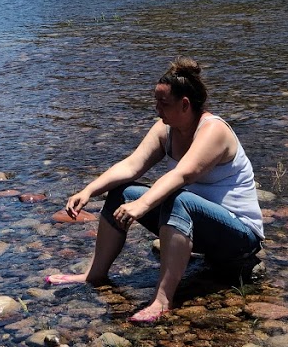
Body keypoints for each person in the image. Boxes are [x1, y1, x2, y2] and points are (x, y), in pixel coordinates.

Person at [47, 57, 264, 323]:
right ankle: (95, 273)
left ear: (185, 104)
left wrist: (144, 204)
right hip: (201, 229)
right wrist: (89, 190)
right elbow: (131, 165)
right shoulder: (166, 129)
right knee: (121, 192)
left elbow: (182, 174)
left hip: (239, 237)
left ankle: (162, 300)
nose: (157, 109)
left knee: (179, 198)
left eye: (164, 103)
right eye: (156, 102)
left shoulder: (214, 131)